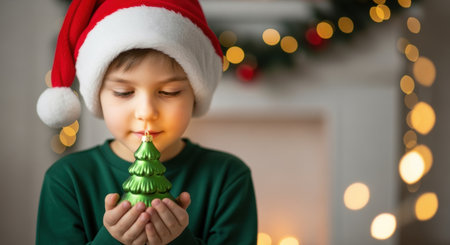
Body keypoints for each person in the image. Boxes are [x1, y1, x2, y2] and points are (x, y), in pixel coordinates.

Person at [35, 0, 257, 244]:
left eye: (169, 92)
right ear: (98, 95)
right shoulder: (67, 180)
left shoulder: (228, 177)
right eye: (123, 92)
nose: (146, 112)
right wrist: (111, 240)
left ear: (195, 94)